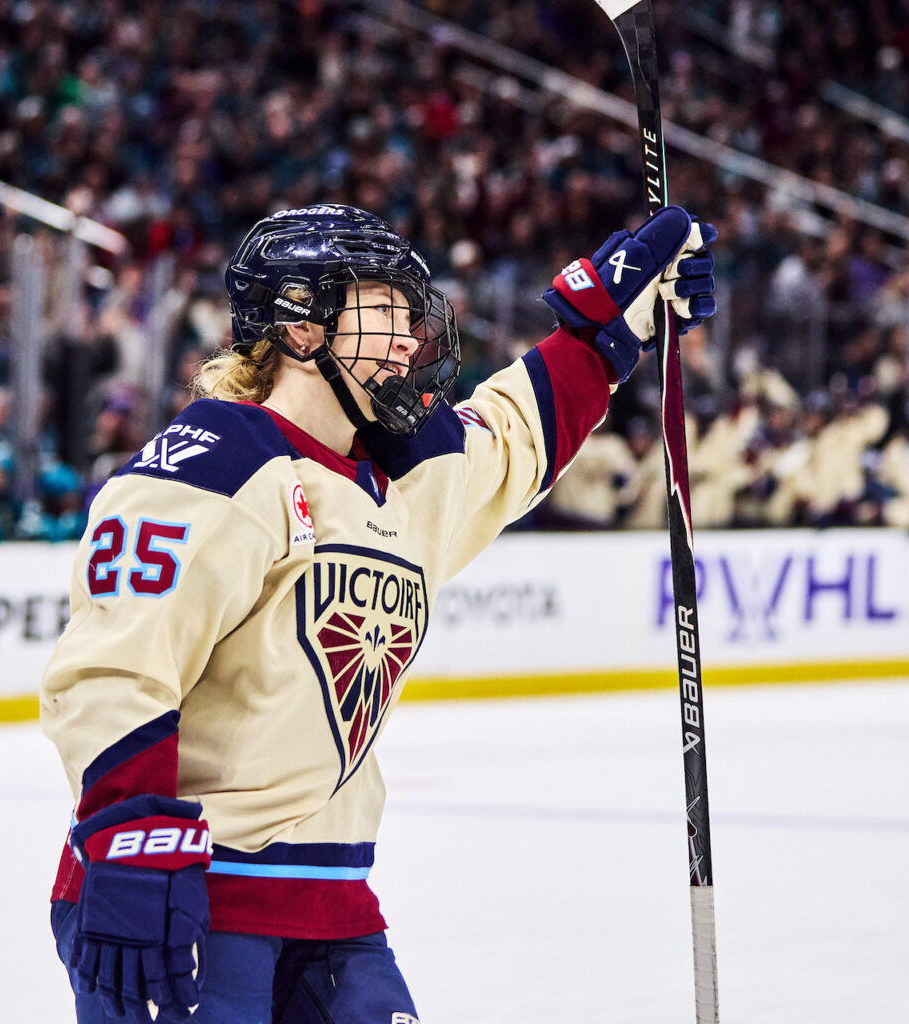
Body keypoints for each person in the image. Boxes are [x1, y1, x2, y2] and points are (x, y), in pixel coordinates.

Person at [38, 203, 715, 1023]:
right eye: (386, 311)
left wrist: (614, 322)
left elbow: (513, 436)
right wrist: (128, 847)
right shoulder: (215, 467)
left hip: (330, 903)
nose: (410, 339)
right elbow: (116, 669)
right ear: (301, 329)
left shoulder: (401, 477)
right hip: (184, 896)